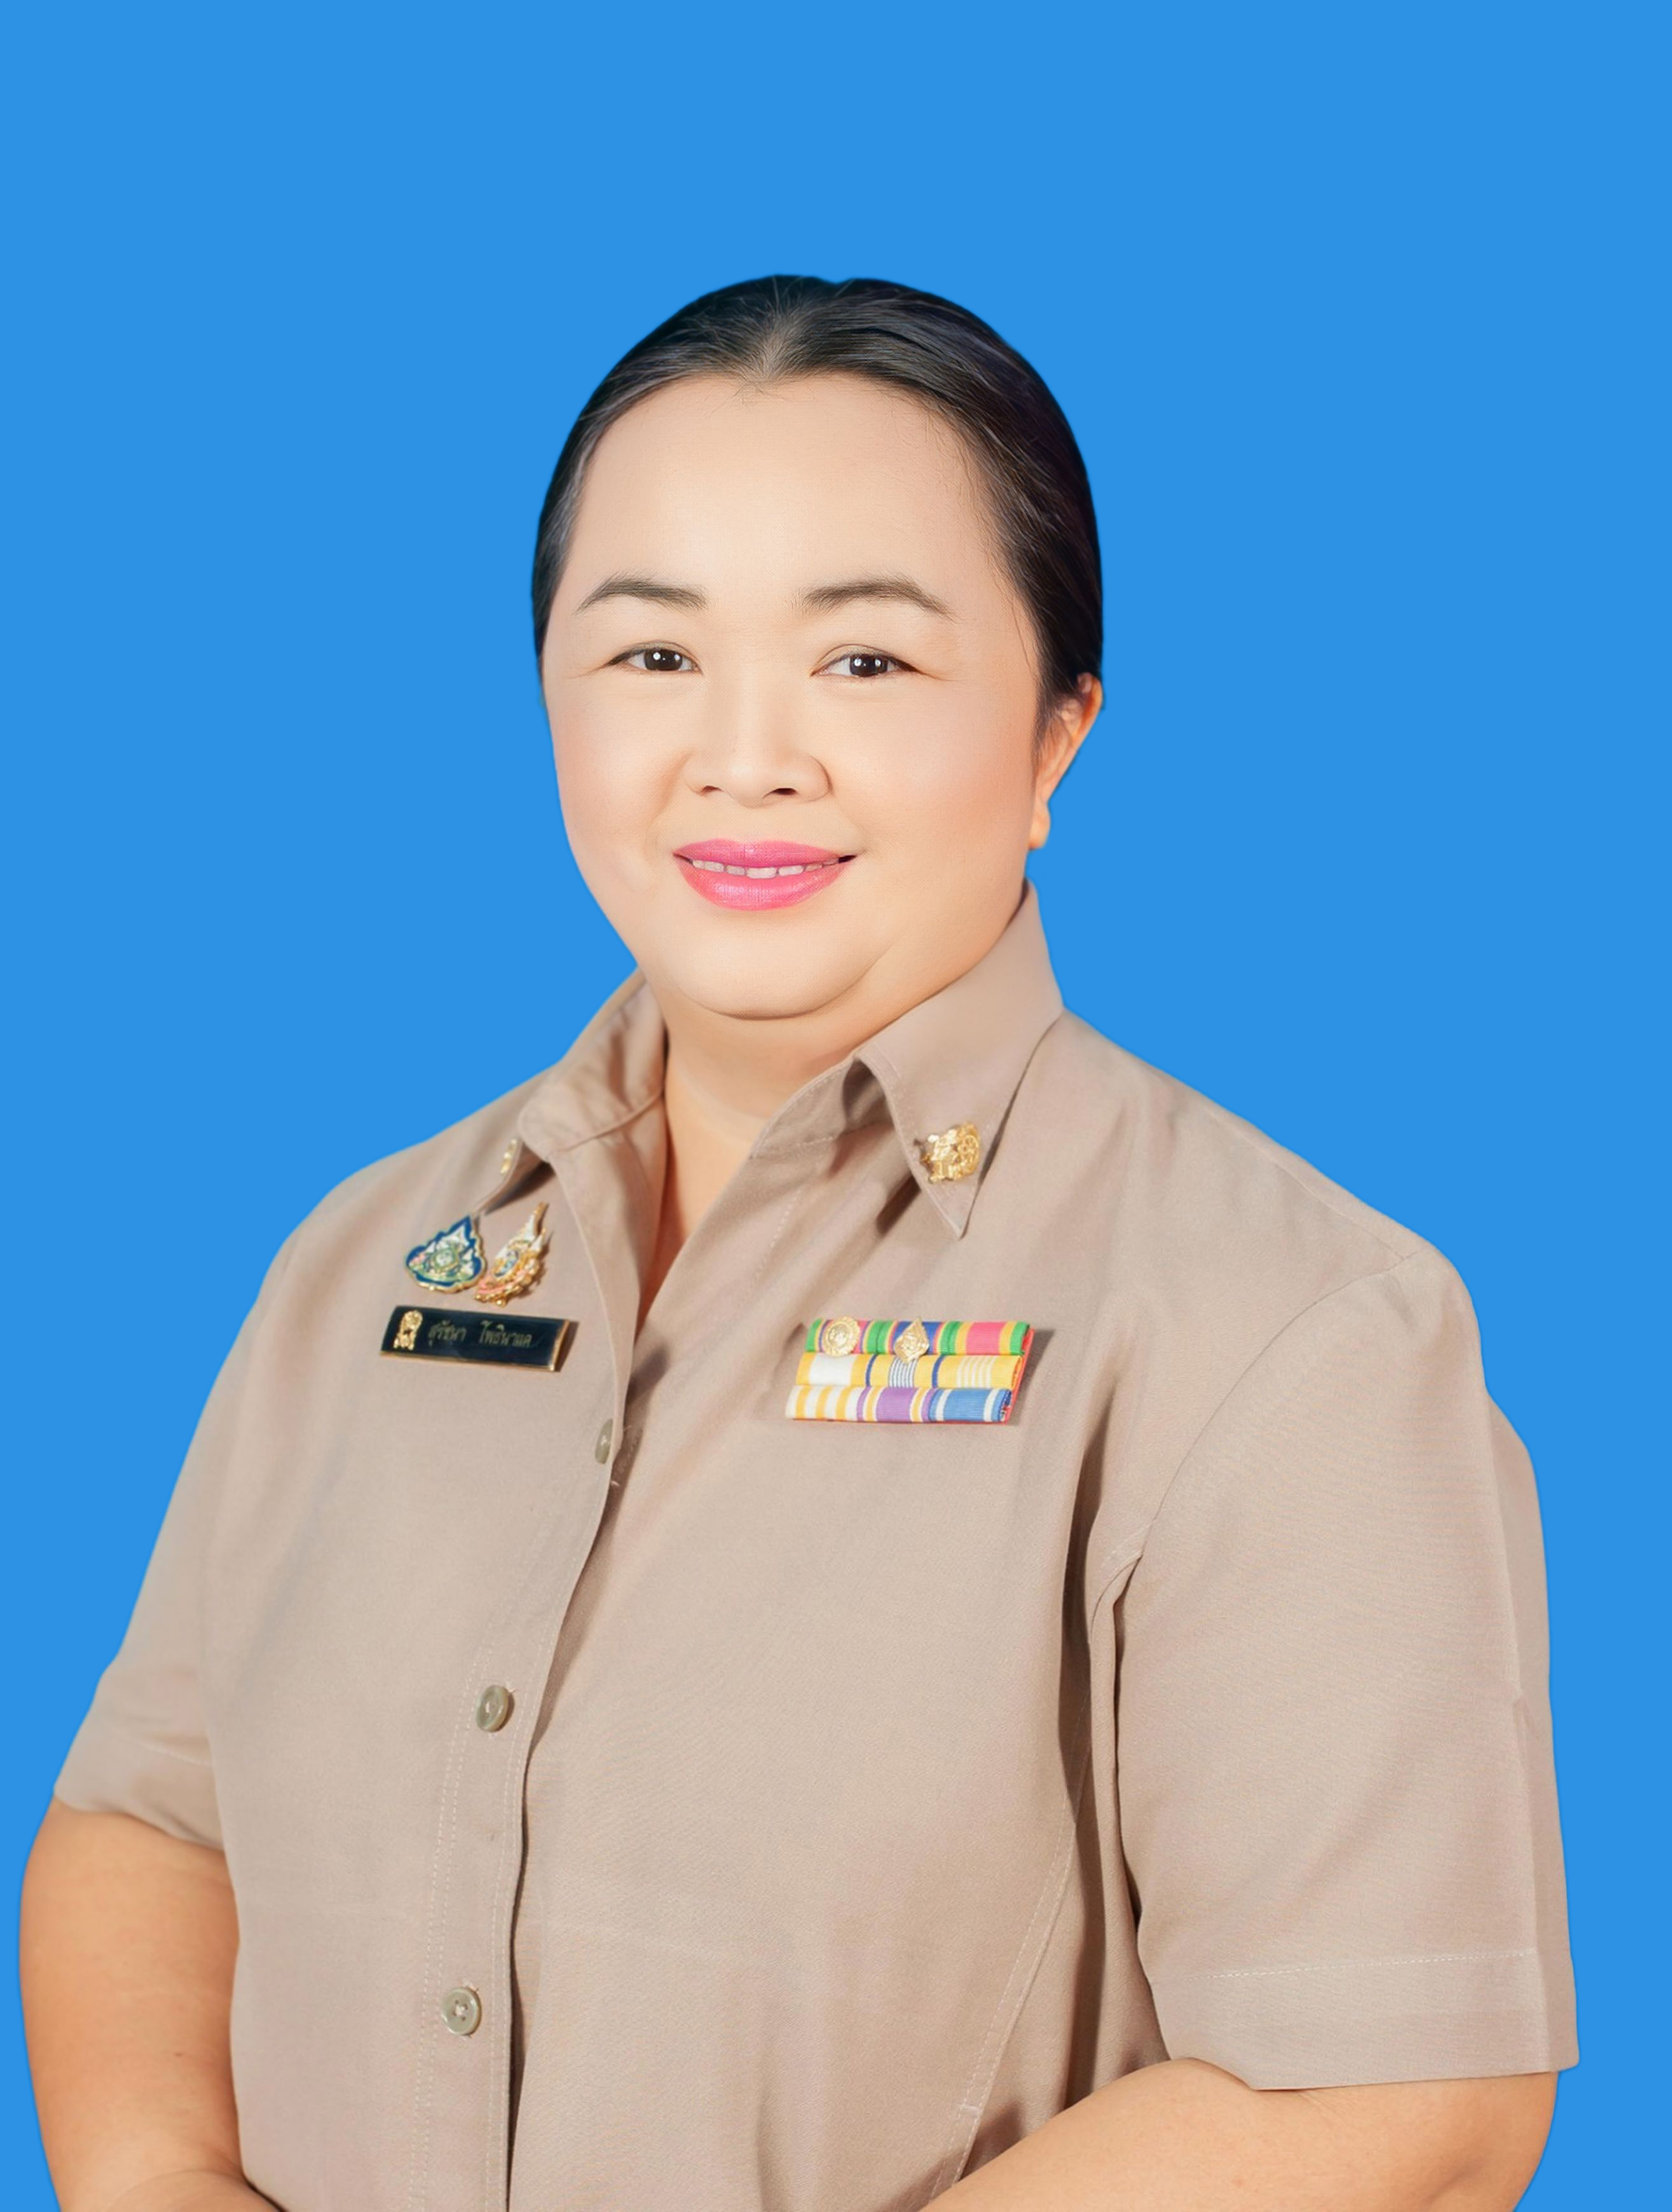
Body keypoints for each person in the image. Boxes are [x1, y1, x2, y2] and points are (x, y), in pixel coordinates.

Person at [21, 276, 1577, 2212]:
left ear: (1058, 731)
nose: (743, 756)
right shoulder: (368, 1266)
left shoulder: (1290, 1327)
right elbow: (149, 1825)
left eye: (865, 660)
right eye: (653, 654)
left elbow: (1393, 2098)